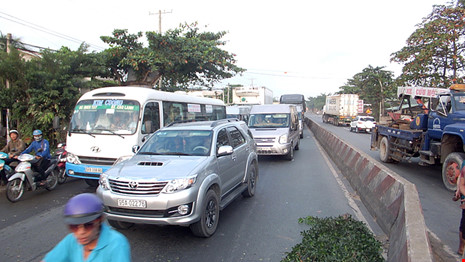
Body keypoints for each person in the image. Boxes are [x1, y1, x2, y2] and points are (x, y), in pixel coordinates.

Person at [42, 193, 131, 262]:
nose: (81, 232)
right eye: (74, 227)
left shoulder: (116, 243)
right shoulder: (71, 241)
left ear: (100, 220)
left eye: (88, 225)